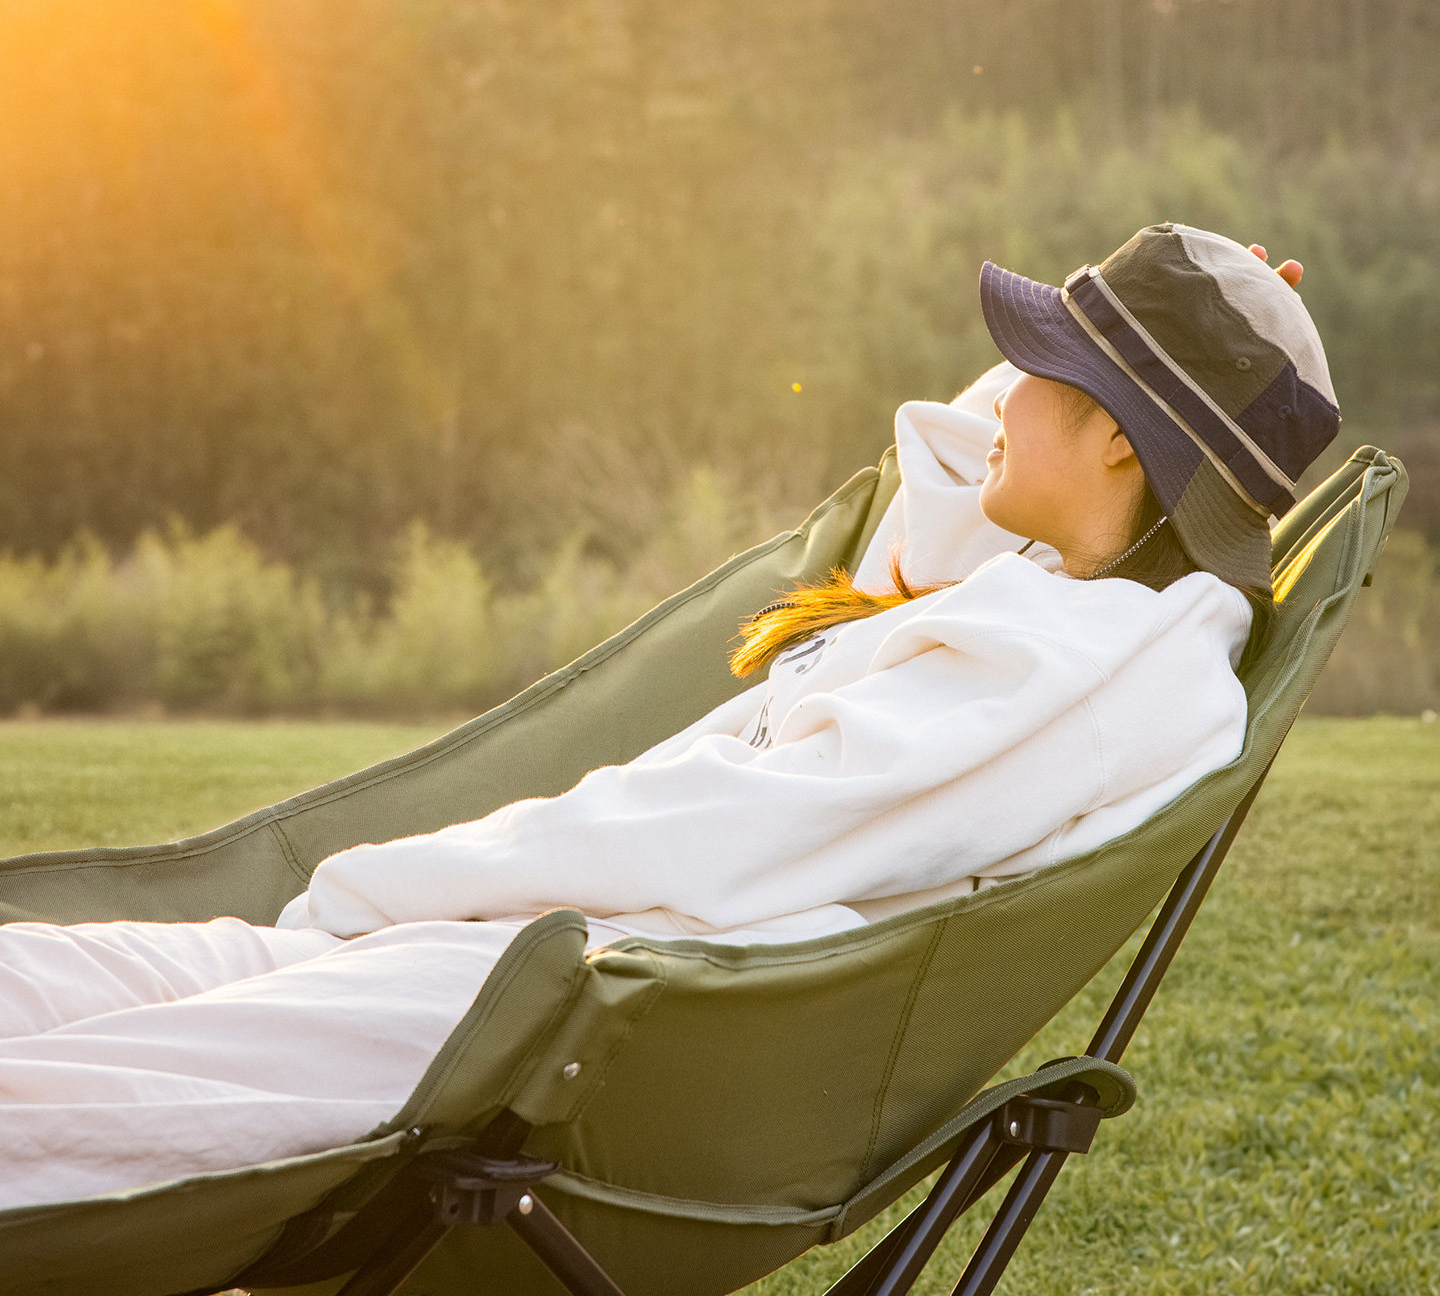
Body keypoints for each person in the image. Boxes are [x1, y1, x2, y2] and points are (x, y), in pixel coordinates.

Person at [0, 225, 1336, 1212]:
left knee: (54, 1103)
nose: (1007, 387)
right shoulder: (1059, 597)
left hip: (578, 1017)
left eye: (1043, 365)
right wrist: (1219, 327)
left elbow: (726, 836)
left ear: (1122, 442)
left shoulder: (1081, 672)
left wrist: (387, 886)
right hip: (536, 962)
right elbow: (953, 451)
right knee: (35, 980)